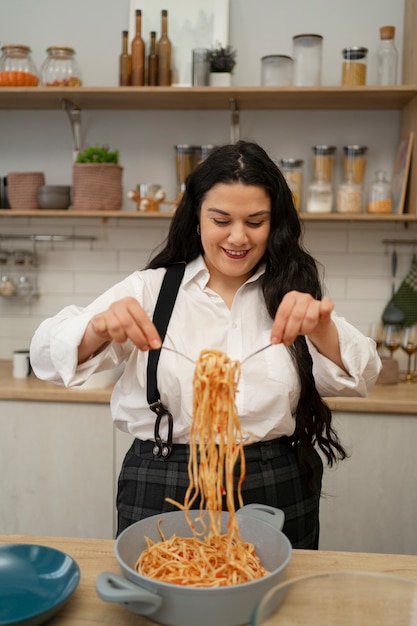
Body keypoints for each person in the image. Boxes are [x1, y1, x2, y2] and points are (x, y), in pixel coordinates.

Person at [30, 140, 381, 549]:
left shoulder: (292, 295)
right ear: (196, 218)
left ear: (275, 224)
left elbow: (364, 374)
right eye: (221, 219)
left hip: (274, 480)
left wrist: (321, 329)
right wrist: (97, 329)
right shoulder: (151, 290)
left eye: (255, 221)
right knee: (164, 603)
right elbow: (44, 358)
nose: (238, 236)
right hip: (164, 479)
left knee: (276, 610)